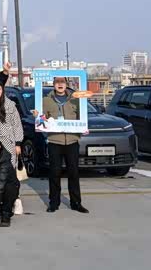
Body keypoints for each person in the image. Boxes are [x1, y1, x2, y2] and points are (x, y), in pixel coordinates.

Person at [36, 76, 89, 214]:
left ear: (66, 84)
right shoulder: (46, 100)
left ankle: (76, 203)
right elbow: (41, 119)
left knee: (74, 172)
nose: (60, 84)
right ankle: (54, 203)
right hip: (55, 140)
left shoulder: (75, 99)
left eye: (62, 82)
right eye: (57, 82)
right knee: (54, 173)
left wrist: (83, 127)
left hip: (72, 141)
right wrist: (38, 116)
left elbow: (82, 117)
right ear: (53, 84)